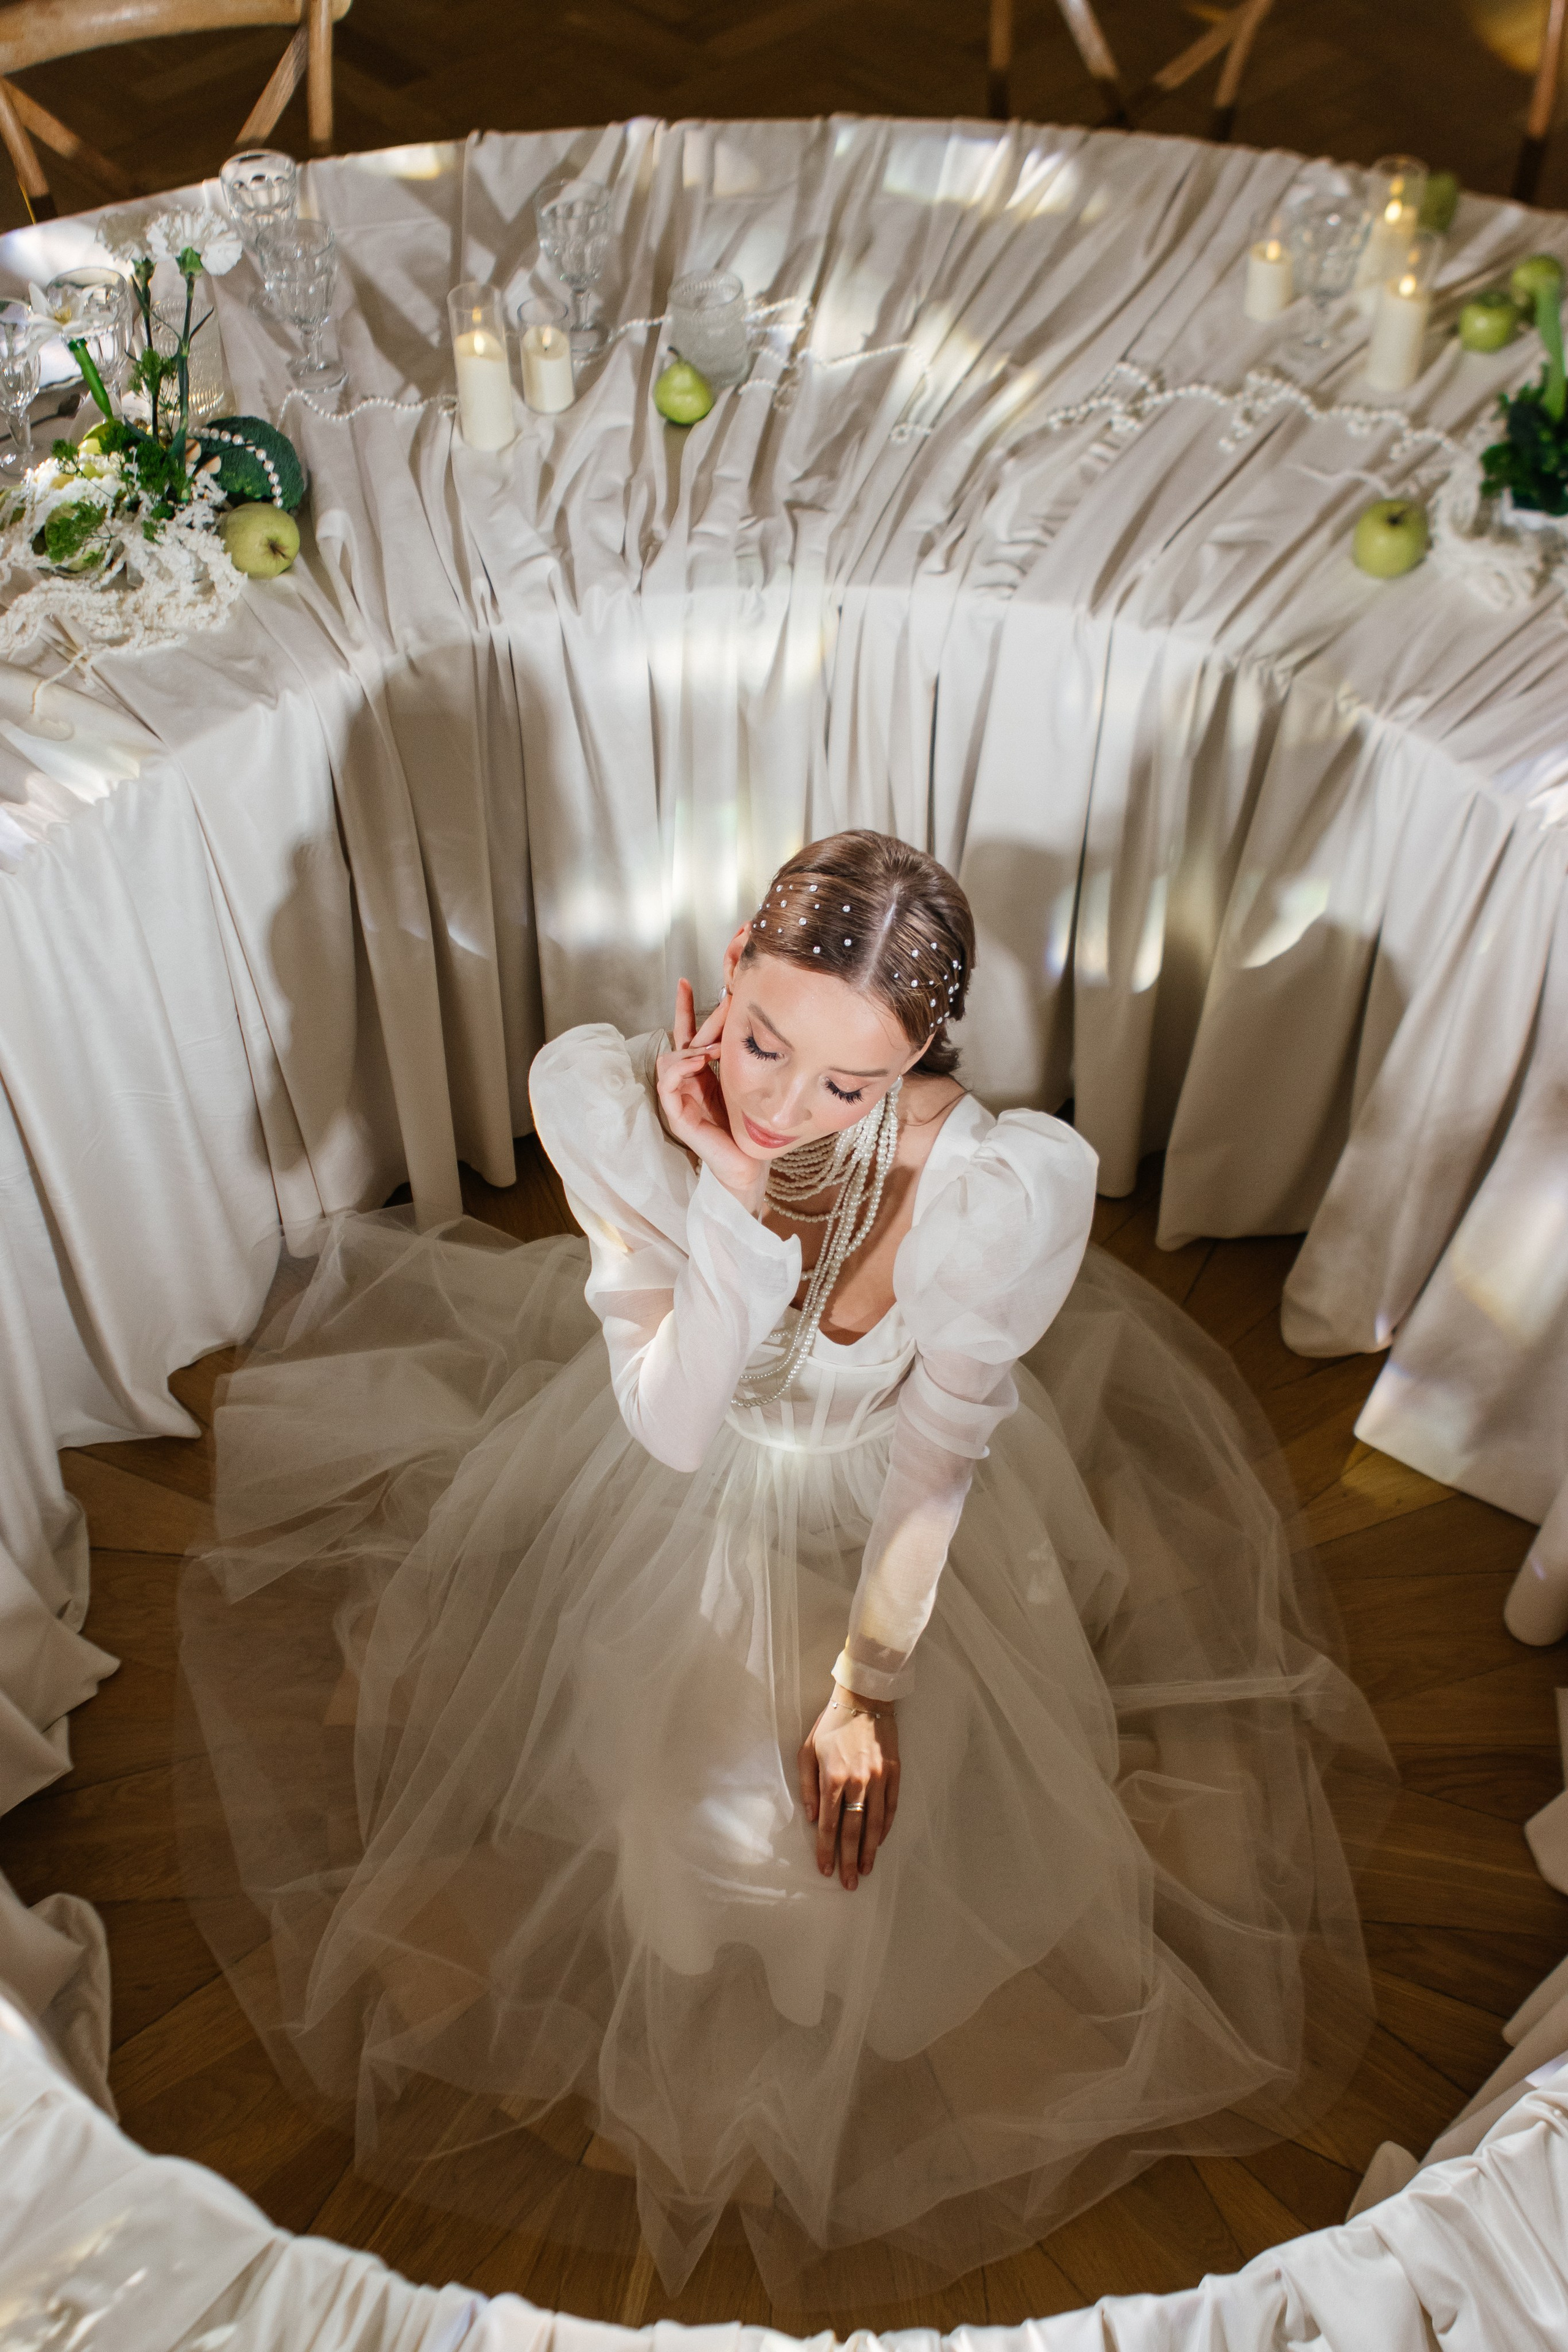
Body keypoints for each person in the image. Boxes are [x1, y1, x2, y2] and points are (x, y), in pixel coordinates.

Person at [178, 831, 1389, 2307]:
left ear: (920, 1065)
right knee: (676, 1819)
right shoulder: (611, 1111)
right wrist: (726, 1194)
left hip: (878, 1504)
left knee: (843, 1843)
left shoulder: (992, 1195)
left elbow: (937, 1460)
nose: (779, 1102)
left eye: (849, 1087)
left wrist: (863, 1685)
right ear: (730, 967)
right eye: (760, 1041)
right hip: (676, 1480)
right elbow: (678, 1428)